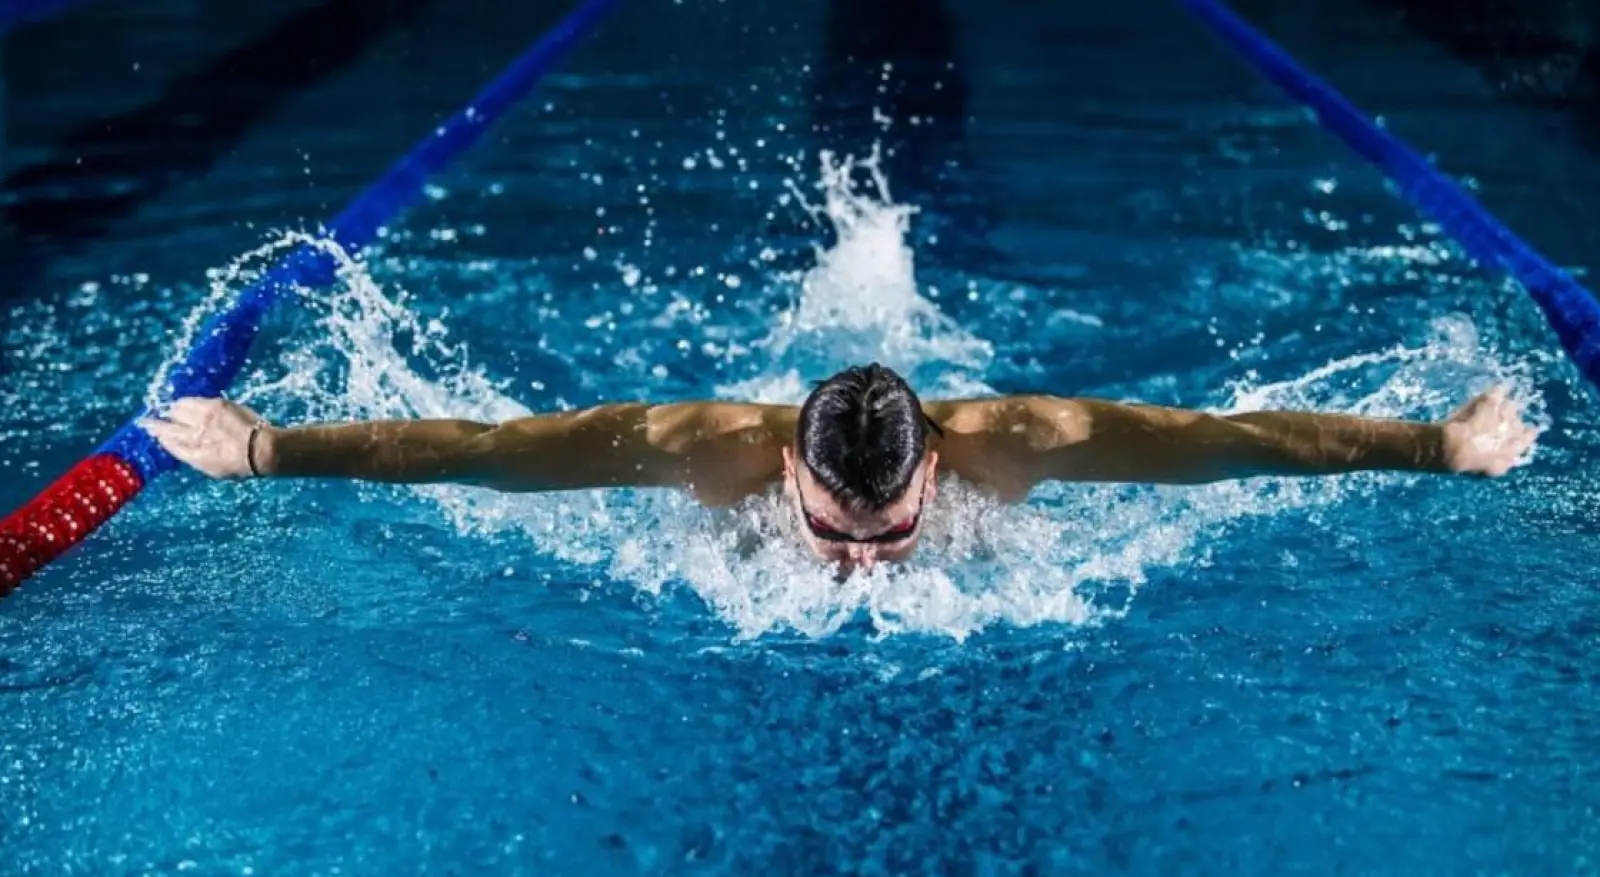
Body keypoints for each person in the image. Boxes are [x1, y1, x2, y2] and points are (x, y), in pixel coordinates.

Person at [140, 363, 1538, 573]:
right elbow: (489, 456)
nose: (860, 563)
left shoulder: (1025, 440)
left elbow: (1232, 446)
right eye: (831, 529)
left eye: (888, 532)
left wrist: (1441, 446)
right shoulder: (698, 450)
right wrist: (265, 449)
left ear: (936, 467)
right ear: (785, 470)